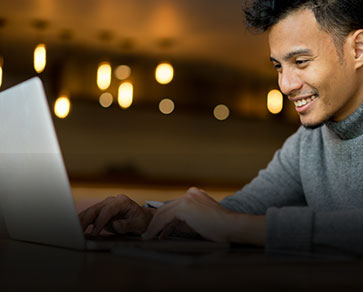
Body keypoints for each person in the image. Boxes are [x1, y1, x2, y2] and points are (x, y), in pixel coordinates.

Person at [79, 0, 363, 254]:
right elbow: (238, 209)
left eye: (300, 62)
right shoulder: (307, 143)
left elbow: (232, 223)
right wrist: (150, 218)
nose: (285, 85)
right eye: (278, 67)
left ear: (358, 49)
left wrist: (236, 227)